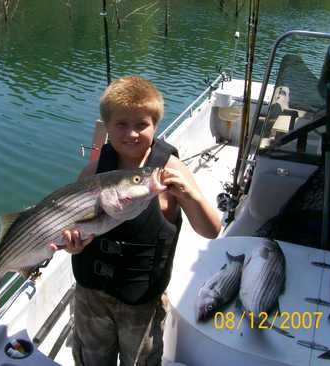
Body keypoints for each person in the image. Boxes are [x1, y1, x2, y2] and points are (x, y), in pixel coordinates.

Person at [54, 76, 221, 365]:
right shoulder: (93, 172)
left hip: (142, 301)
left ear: (155, 125)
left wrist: (190, 195)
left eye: (141, 124)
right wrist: (73, 245)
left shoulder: (169, 171)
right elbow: (70, 230)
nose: (131, 134)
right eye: (121, 124)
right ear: (106, 127)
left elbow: (210, 231)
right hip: (91, 296)